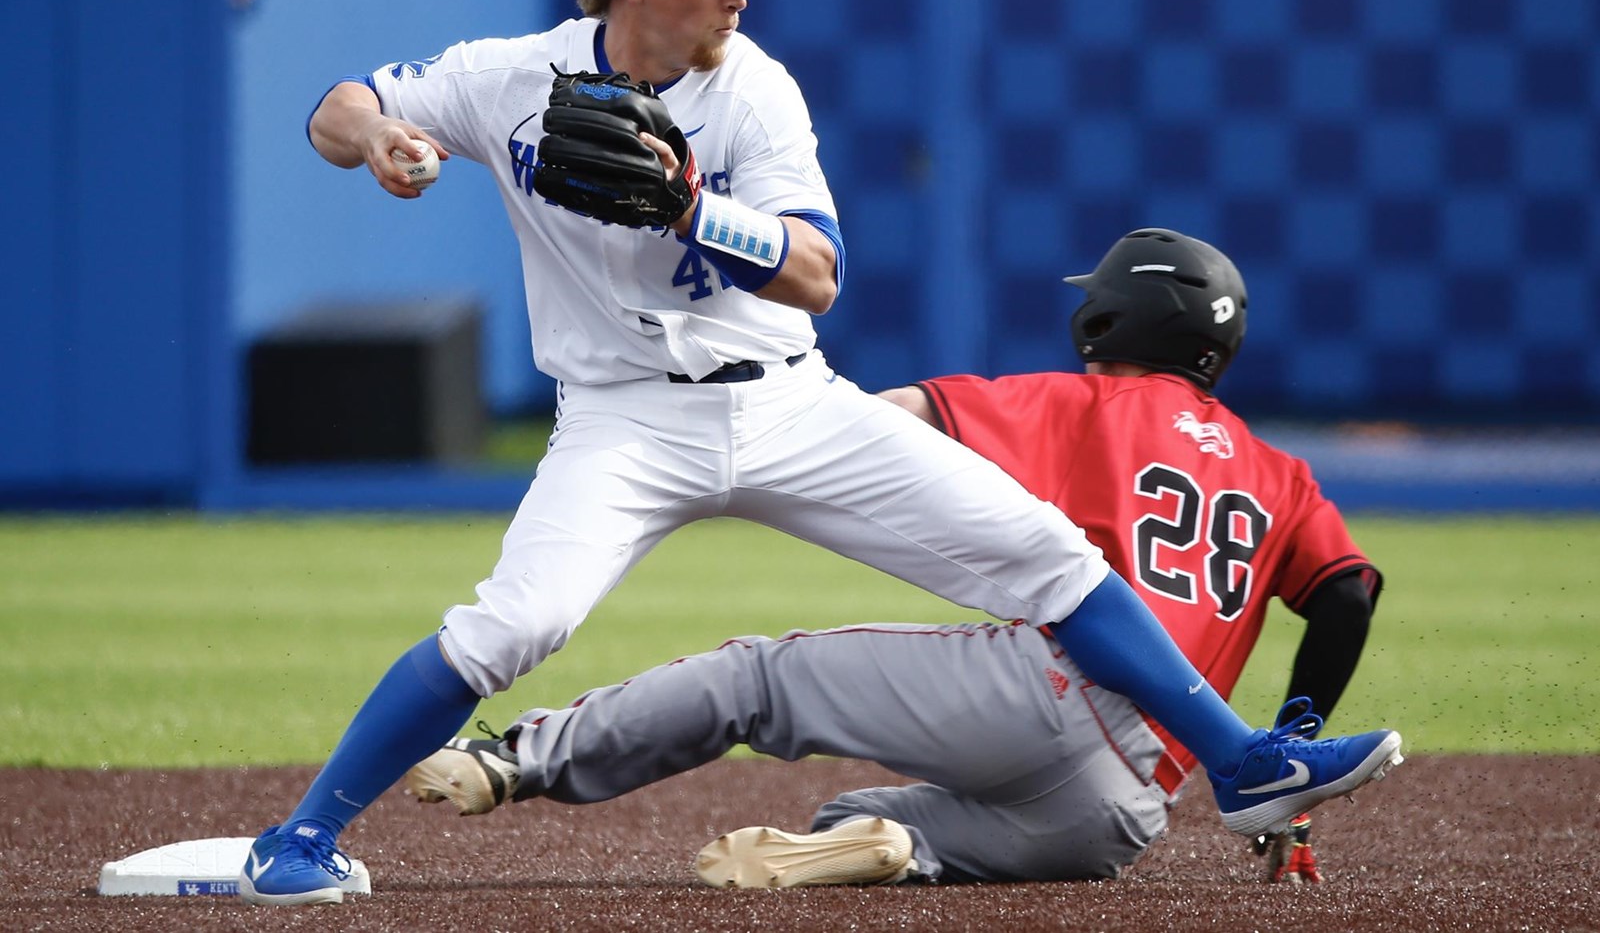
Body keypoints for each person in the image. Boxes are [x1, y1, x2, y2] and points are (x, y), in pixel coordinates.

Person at [237, 0, 1400, 905]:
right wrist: (387, 138)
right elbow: (338, 105)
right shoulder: (507, 79)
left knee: (1049, 554)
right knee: (511, 625)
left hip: (788, 402)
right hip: (625, 420)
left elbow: (817, 273)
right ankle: (300, 837)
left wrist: (693, 210)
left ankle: (1242, 761)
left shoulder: (754, 90)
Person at [404, 228, 1396, 887]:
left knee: (758, 680)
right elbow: (1346, 594)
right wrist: (1290, 740)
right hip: (1126, 806)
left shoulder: (1073, 398)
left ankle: (515, 754)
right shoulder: (1279, 471)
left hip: (1051, 692)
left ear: (1111, 319)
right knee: (859, 819)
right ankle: (898, 843)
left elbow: (874, 425)